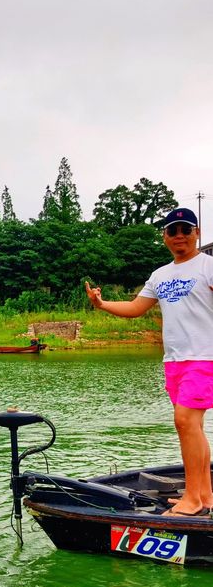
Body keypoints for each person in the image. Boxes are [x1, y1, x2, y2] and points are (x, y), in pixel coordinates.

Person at [85, 207, 213, 516]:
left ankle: (193, 500)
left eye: (186, 229)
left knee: (185, 421)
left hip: (204, 357)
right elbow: (135, 307)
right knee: (191, 425)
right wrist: (101, 304)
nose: (179, 235)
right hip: (174, 361)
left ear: (197, 233)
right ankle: (204, 494)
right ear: (165, 237)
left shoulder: (208, 267)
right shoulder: (160, 275)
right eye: (173, 231)